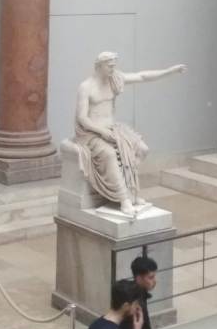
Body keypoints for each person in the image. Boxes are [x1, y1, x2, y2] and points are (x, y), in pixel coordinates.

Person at [73, 52, 186, 216]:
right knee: (110, 155)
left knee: (142, 149)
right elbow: (82, 118)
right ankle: (124, 199)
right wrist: (102, 132)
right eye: (109, 66)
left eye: (114, 66)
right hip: (92, 133)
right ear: (99, 66)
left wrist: (170, 71)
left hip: (113, 128)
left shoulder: (115, 78)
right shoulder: (86, 87)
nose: (113, 69)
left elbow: (142, 77)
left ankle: (129, 187)